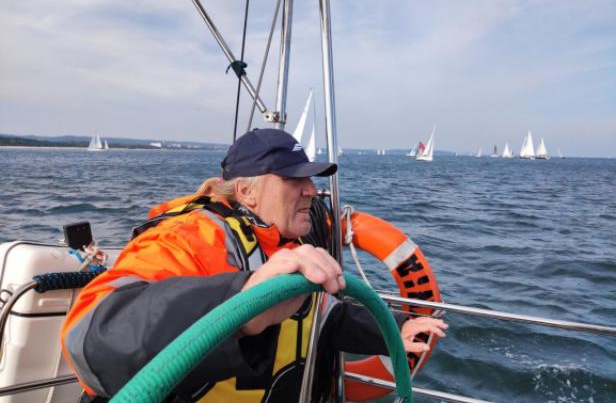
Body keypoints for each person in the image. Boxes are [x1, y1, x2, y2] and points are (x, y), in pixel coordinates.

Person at [61, 128, 447, 403]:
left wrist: (394, 327)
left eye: (310, 179)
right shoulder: (191, 236)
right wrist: (243, 303)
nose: (311, 191)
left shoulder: (287, 245)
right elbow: (90, 336)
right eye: (294, 179)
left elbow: (325, 319)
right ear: (247, 191)